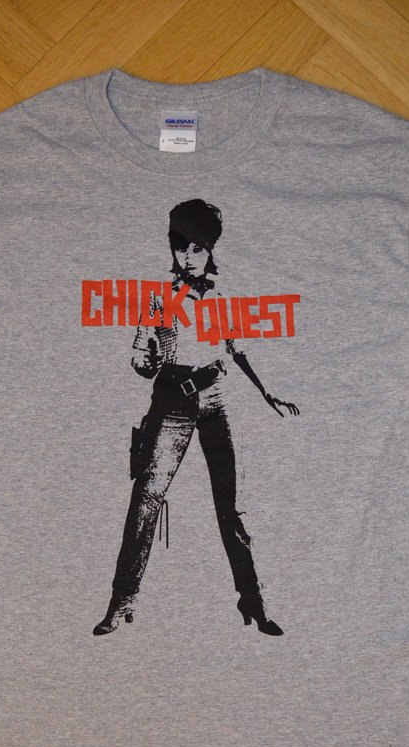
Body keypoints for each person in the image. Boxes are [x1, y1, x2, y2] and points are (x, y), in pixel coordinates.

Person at [93, 199, 299, 637]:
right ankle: (122, 601)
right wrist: (146, 362)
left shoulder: (222, 297)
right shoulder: (158, 297)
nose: (187, 257)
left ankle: (253, 602)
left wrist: (268, 393)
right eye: (180, 247)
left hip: (216, 400)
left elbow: (239, 351)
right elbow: (140, 353)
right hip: (172, 403)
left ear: (210, 249)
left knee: (232, 508)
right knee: (146, 500)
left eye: (196, 248)